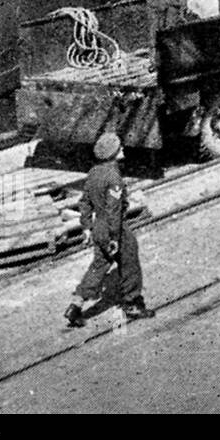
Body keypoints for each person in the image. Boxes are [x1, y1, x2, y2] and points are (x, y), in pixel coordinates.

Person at [64, 132, 154, 327]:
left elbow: (85, 202)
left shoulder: (93, 173)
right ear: (113, 154)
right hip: (114, 228)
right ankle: (132, 304)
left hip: (98, 228)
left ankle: (76, 304)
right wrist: (115, 238)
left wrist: (87, 227)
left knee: (98, 267)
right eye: (119, 148)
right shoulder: (114, 177)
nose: (122, 149)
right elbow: (114, 211)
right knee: (129, 261)